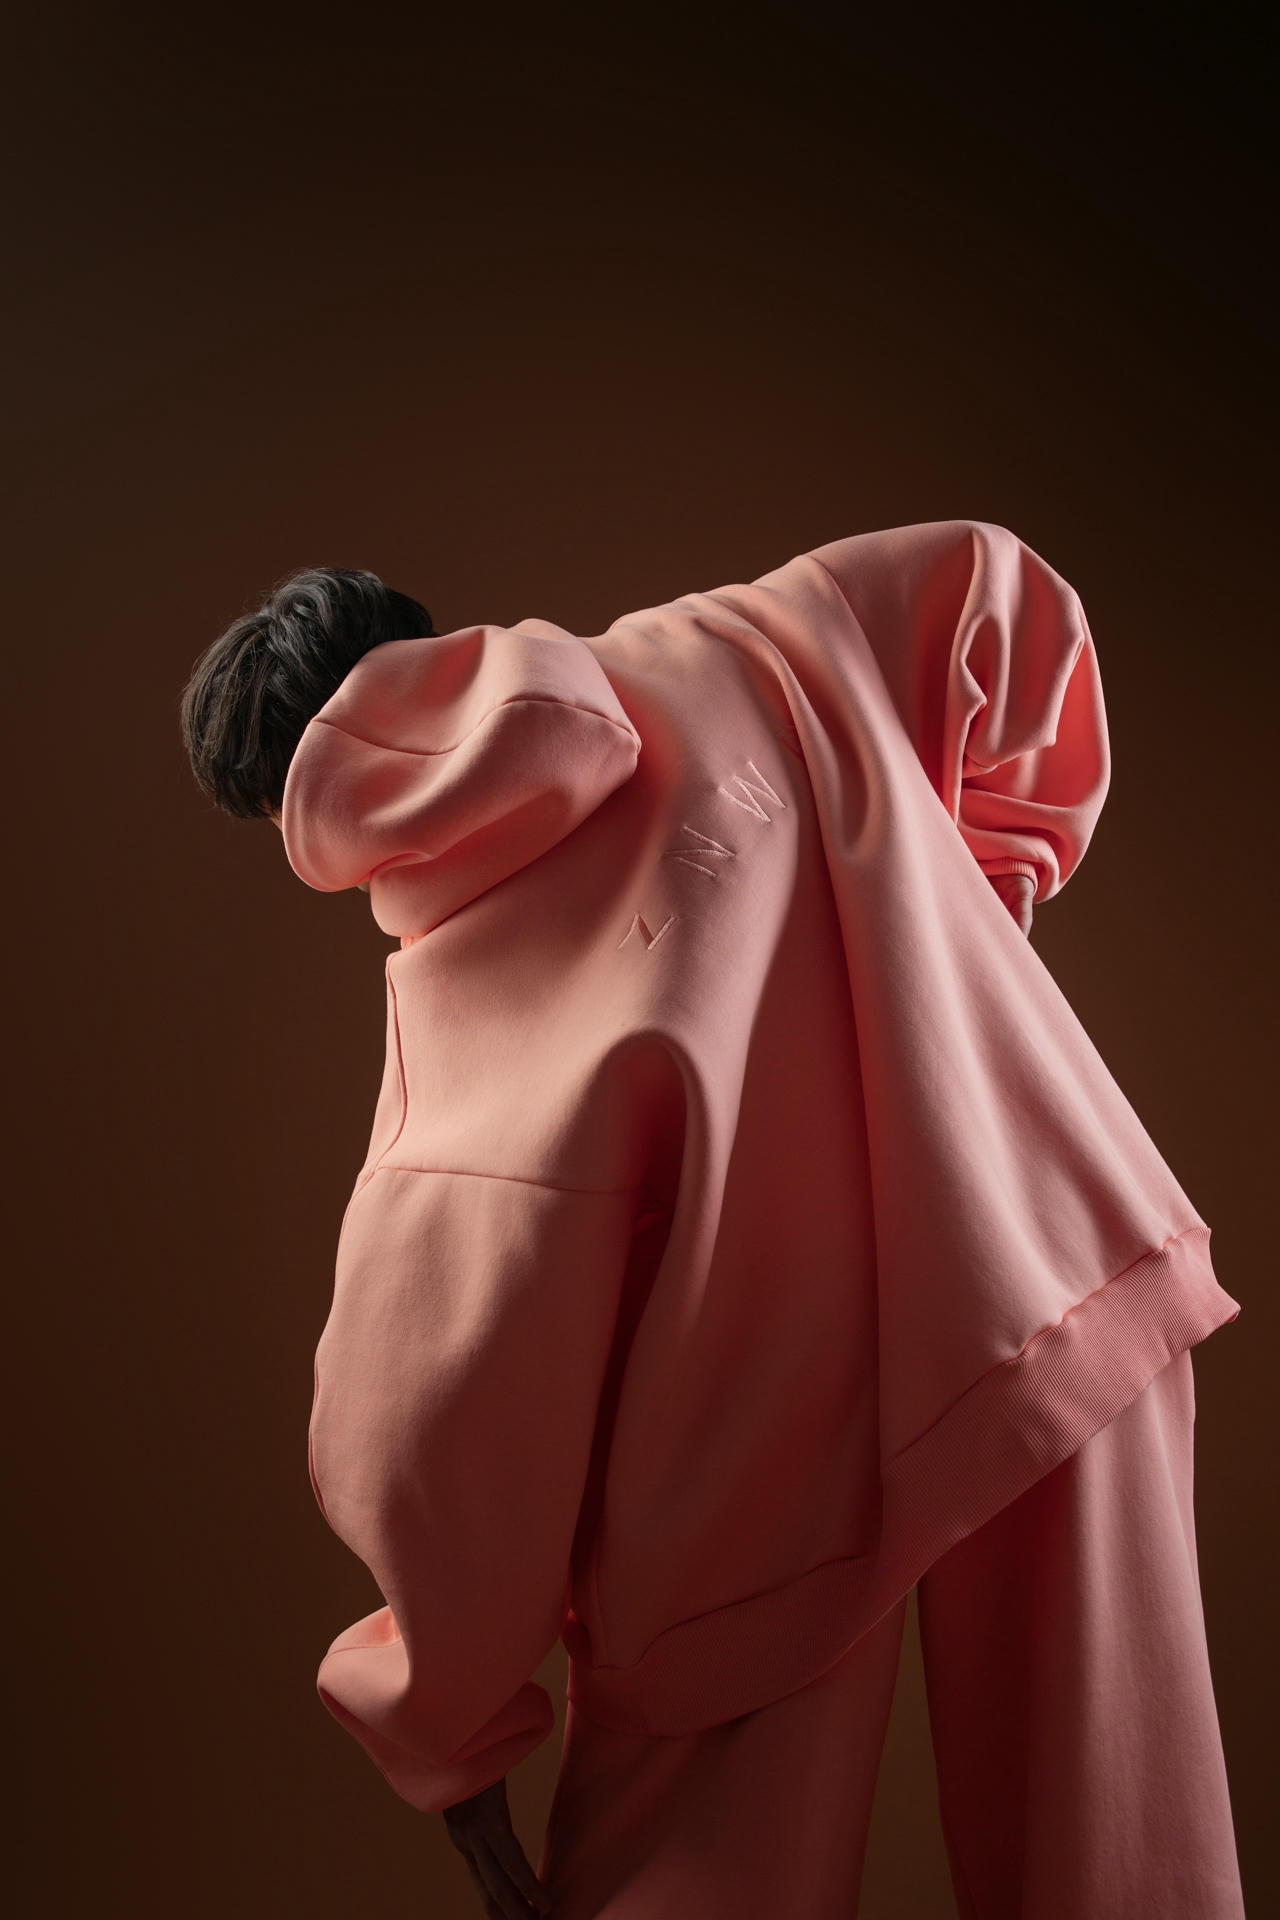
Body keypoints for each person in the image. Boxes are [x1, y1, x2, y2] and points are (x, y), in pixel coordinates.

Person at [181, 525, 1245, 1917]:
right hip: (1046, 1246)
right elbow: (1000, 599)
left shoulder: (462, 986)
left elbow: (440, 1402)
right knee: (1126, 1859)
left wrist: (442, 1728)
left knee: (699, 1849)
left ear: (306, 812)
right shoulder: (754, 630)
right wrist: (972, 927)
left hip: (754, 1435)